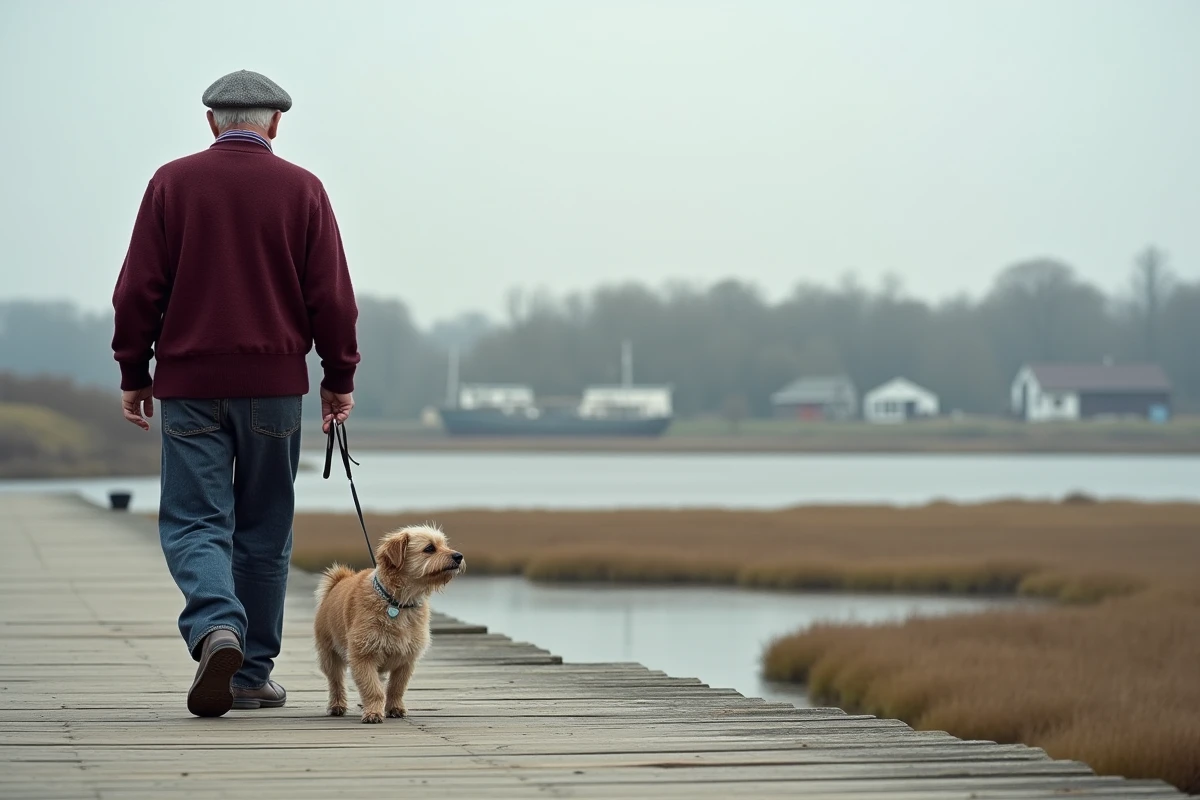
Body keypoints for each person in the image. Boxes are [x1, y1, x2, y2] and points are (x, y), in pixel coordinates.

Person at [111, 69, 360, 717]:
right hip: (275, 391)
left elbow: (138, 291)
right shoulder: (303, 189)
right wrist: (338, 379)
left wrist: (133, 371)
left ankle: (217, 625)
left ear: (211, 121)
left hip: (190, 387)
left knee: (196, 519)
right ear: (274, 124)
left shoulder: (171, 183)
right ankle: (250, 674)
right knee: (264, 529)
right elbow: (331, 299)